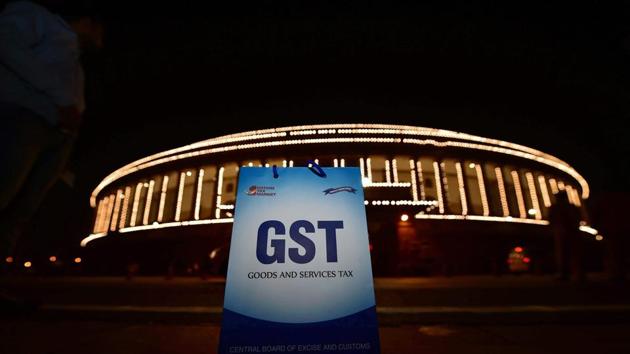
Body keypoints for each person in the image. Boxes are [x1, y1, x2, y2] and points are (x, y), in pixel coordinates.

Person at [0, 0, 102, 259]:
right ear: (89, 23)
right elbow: (7, 44)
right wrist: (59, 96)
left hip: (57, 135)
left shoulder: (73, 57)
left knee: (21, 211)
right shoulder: (37, 17)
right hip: (24, 119)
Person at [549, 190, 583, 281]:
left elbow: (551, 220)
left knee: (563, 252)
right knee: (572, 253)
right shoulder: (571, 207)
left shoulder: (555, 207)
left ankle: (565, 273)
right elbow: (579, 218)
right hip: (569, 232)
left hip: (562, 232)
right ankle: (576, 273)